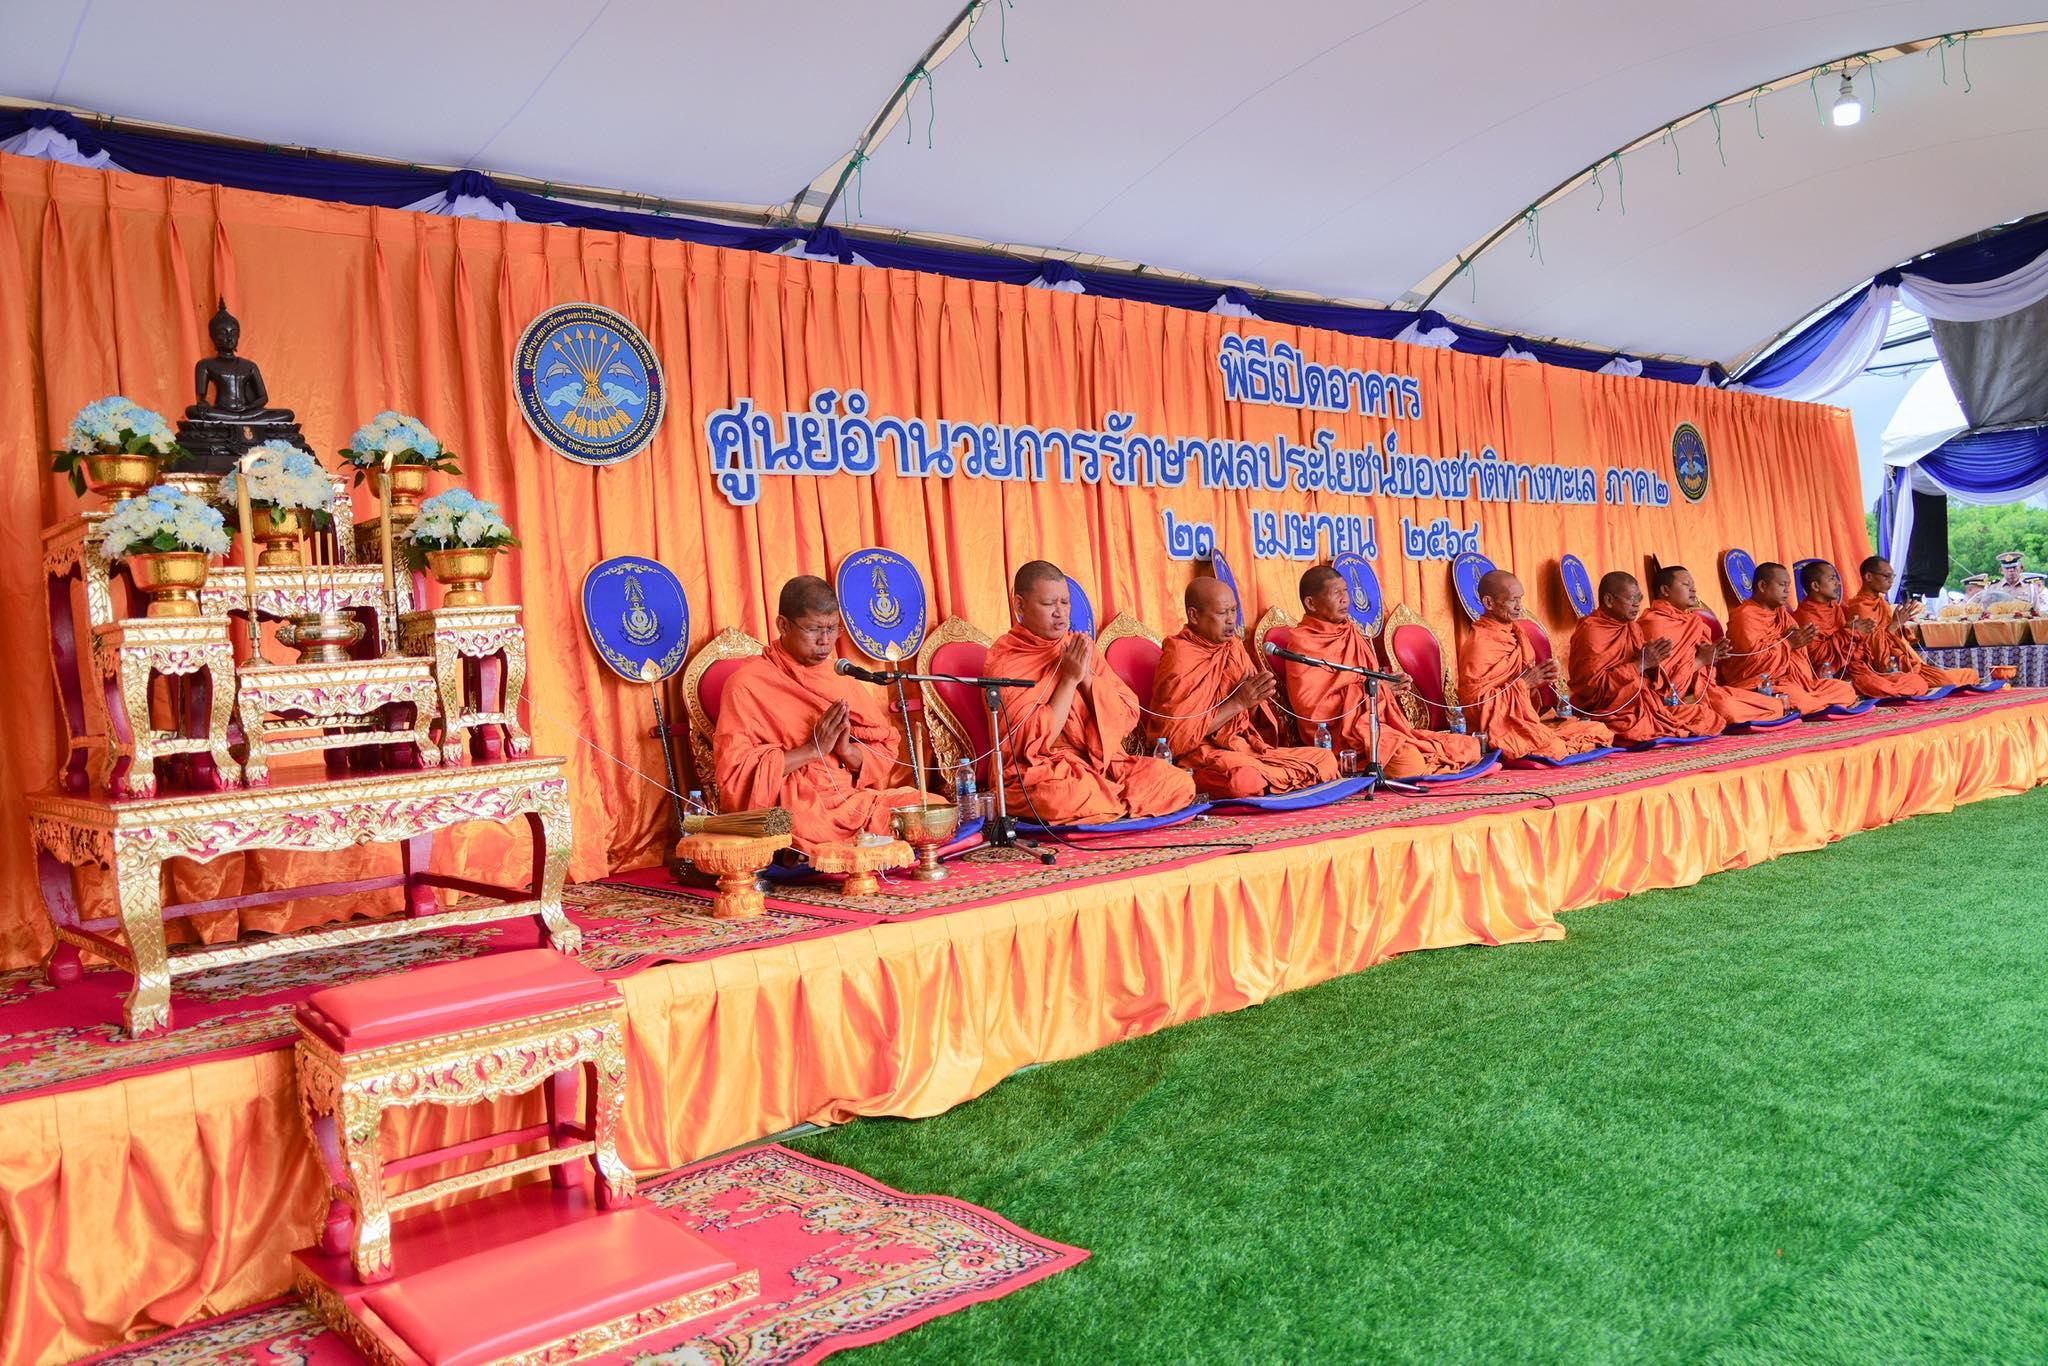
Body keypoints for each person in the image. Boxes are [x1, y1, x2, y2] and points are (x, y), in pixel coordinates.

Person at [713, 576, 926, 848]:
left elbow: (883, 745)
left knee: (925, 806)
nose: (825, 641)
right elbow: (736, 775)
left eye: (832, 629)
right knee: (803, 825)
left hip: (852, 801)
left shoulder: (838, 676)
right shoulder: (746, 684)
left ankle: (850, 846)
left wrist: (846, 751)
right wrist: (812, 750)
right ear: (783, 625)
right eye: (814, 629)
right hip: (799, 807)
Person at [983, 560, 1197, 824]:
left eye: (1065, 602)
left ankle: (1108, 804)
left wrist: (1086, 678)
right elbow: (1028, 745)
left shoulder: (1081, 648)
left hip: (1100, 765)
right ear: (1020, 606)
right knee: (1065, 796)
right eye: (1049, 604)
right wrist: (1069, 680)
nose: (1060, 613)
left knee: (1177, 781)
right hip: (1040, 773)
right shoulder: (1007, 661)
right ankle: (1114, 802)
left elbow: (1126, 715)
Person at [1284, 565, 1483, 778]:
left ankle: (1420, 758)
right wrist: (1376, 690)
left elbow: (1365, 679)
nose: (1345, 599)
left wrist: (1386, 684)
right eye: (1335, 593)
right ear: (1311, 603)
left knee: (1469, 745)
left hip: (1372, 726)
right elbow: (1313, 710)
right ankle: (1416, 761)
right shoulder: (1302, 643)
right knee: (1409, 763)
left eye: (1346, 591)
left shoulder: (1349, 631)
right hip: (1341, 736)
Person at [1147, 577, 1339, 797]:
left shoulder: (1233, 647)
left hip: (1242, 748)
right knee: (1243, 780)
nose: (1231, 620)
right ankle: (1213, 781)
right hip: (1201, 753)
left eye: (1233, 611)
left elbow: (1253, 722)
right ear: (1194, 616)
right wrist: (1238, 702)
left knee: (1325, 758)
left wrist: (1256, 700)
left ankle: (1267, 781)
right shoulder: (1180, 656)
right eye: (1222, 613)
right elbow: (1174, 741)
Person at [1456, 569, 1614, 760]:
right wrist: (1525, 684)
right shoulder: (1479, 645)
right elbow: (1475, 707)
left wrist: (1540, 680)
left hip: (1523, 720)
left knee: (1598, 729)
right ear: (1489, 603)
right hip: (1499, 728)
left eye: (1520, 599)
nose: (1519, 606)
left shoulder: (1516, 634)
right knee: (1554, 748)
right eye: (1512, 600)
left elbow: (1524, 693)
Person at [1565, 572, 1724, 742]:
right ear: (1609, 600)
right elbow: (1591, 690)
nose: (1637, 604)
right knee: (1631, 728)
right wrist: (1639, 665)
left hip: (1643, 707)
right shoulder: (1591, 633)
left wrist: (1654, 663)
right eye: (1631, 598)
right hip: (1607, 711)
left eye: (1639, 598)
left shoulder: (1632, 628)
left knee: (1707, 716)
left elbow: (1653, 683)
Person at [1638, 566, 1794, 725]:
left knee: (1774, 704)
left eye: (1693, 585)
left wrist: (1713, 655)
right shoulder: (1655, 624)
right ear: (1665, 590)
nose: (1693, 589)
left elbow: (1705, 677)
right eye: (1686, 585)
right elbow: (1665, 687)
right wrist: (1701, 660)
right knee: (1725, 710)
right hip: (1671, 703)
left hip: (1703, 694)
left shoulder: (1693, 622)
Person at [1719, 562, 1863, 713]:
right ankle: (1804, 704)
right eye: (1782, 585)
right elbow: (1752, 661)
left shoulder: (1782, 614)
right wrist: (1789, 644)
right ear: (1762, 586)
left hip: (1794, 683)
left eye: (1788, 585)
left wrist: (1800, 642)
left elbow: (1800, 655)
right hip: (1761, 684)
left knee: (1845, 689)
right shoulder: (1745, 616)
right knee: (1799, 700)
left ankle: (1804, 704)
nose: (1787, 590)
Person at [1793, 561, 1923, 699]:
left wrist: (1856, 637)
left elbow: (1858, 647)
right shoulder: (1805, 616)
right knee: (1850, 691)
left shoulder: (1836, 608)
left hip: (1856, 667)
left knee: (1916, 682)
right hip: (1829, 673)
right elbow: (1816, 658)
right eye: (1832, 579)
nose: (1838, 583)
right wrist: (1849, 633)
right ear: (1815, 586)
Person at [1846, 556, 1980, 688]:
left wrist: (1901, 623)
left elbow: (1894, 637)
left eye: (1893, 576)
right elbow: (1871, 651)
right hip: (1880, 669)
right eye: (1886, 576)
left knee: (1969, 674)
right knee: (1929, 682)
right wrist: (1895, 625)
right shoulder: (1859, 607)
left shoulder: (1882, 603)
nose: (1891, 581)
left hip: (1901, 664)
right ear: (1868, 577)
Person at [1965, 552, 2048, 612]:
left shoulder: (2031, 587)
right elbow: (1983, 609)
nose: (2011, 571)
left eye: (2014, 568)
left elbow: (2036, 612)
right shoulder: (1992, 587)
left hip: (2023, 628)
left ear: (2021, 568)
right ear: (2001, 570)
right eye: (2007, 568)